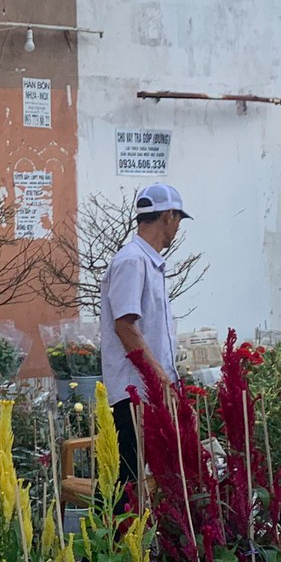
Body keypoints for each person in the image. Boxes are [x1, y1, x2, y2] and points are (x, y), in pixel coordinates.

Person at [98, 182, 189, 499]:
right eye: (178, 220)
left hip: (146, 388)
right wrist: (161, 379)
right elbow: (125, 326)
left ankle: (120, 545)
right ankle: (100, 548)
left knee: (139, 478)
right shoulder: (132, 261)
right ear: (168, 216)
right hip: (134, 391)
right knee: (127, 479)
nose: (177, 229)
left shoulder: (146, 262)